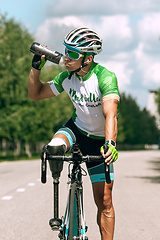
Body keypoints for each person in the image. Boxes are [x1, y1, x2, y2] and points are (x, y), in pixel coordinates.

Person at [28, 27, 120, 240]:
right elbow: (36, 94)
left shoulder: (105, 78)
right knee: (53, 148)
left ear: (88, 59)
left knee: (105, 202)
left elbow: (110, 115)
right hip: (76, 130)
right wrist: (36, 69)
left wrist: (110, 143)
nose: (67, 57)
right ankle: (59, 203)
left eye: (73, 54)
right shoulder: (66, 77)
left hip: (98, 141)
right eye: (66, 51)